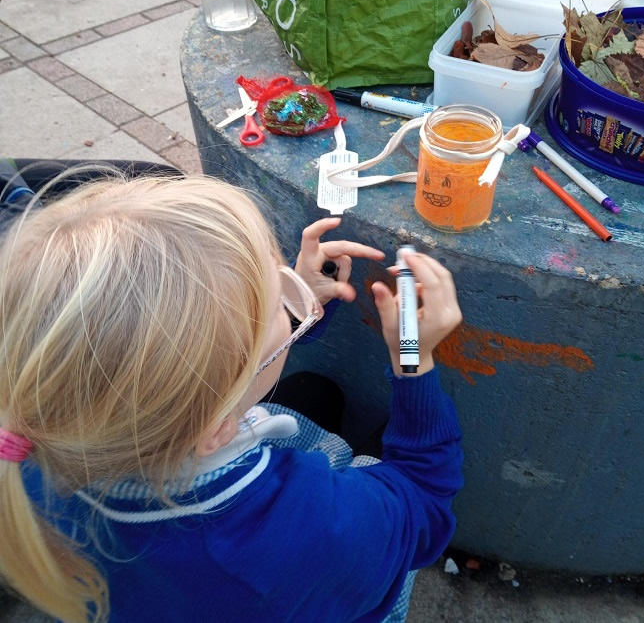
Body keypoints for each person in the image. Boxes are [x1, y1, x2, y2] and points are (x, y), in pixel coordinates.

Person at [0, 172, 463, 623]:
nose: (290, 290)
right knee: (387, 440)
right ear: (218, 428)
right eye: (274, 303)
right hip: (301, 584)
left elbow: (197, 364)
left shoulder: (33, 451)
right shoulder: (308, 530)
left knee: (313, 393)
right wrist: (411, 356)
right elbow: (423, 511)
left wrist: (287, 310)